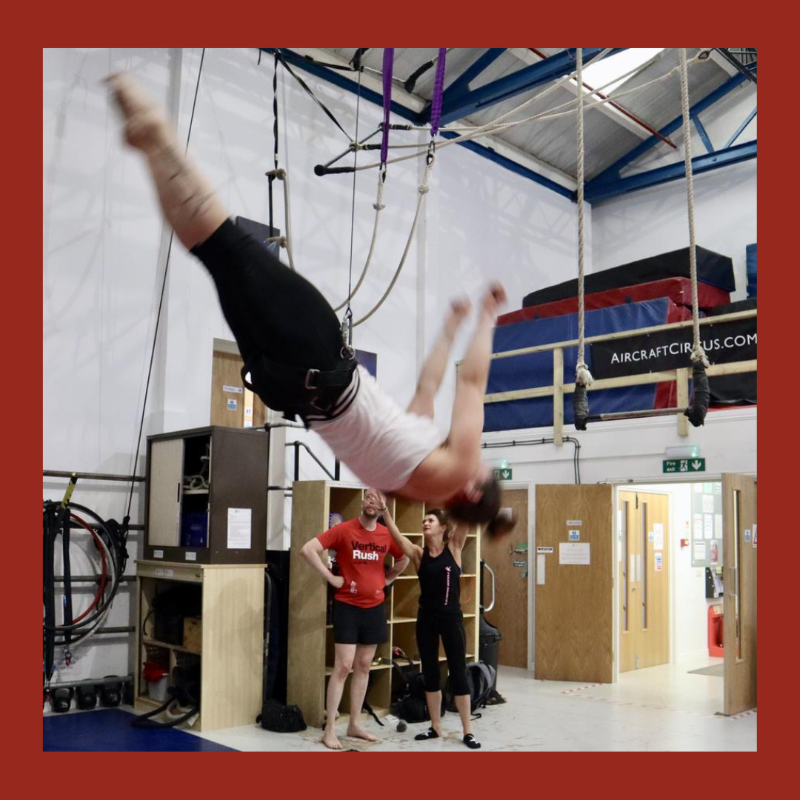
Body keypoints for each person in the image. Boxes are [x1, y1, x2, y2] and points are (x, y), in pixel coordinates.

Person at [106, 74, 515, 534]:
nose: (478, 461)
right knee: (215, 253)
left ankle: (156, 131)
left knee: (230, 245)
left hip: (318, 360)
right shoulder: (413, 480)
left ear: (473, 491)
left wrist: (485, 318)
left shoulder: (457, 470)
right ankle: (151, 145)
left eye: (483, 471)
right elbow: (428, 387)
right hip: (288, 388)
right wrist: (448, 328)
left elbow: (472, 383)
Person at [300, 489, 409, 749]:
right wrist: (330, 577)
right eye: (369, 498)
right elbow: (308, 549)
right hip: (348, 607)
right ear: (363, 502)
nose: (373, 502)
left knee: (363, 666)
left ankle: (354, 724)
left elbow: (404, 556)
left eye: (378, 500)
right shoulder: (344, 530)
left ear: (383, 506)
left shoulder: (385, 534)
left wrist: (388, 578)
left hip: (374, 608)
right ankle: (330, 730)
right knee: (343, 667)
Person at [380, 503, 481, 749]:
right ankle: (436, 727)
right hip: (426, 620)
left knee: (458, 674)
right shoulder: (418, 554)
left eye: (431, 521)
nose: (425, 523)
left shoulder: (454, 548)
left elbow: (466, 520)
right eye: (423, 520)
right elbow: (396, 535)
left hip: (451, 620)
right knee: (431, 675)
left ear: (443, 528)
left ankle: (468, 731)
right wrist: (385, 513)